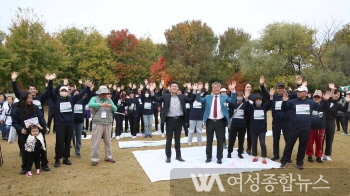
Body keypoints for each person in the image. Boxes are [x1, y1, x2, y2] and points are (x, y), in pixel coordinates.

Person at [280, 86, 331, 170]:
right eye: (297, 91)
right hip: (294, 128)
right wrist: (284, 102)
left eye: (300, 91)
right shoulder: (292, 101)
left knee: (303, 146)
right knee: (289, 145)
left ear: (306, 93)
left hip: (306, 128)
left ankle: (299, 162)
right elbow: (284, 109)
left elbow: (321, 109)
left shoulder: (311, 102)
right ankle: (284, 161)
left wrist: (325, 100)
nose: (298, 93)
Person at [47, 73, 92, 167]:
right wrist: (50, 81)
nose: (64, 92)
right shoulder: (56, 99)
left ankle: (65, 158)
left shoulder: (72, 99)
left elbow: (81, 94)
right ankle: (57, 159)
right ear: (59, 92)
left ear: (68, 92)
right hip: (60, 124)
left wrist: (87, 88)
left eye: (65, 90)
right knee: (59, 142)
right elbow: (50, 92)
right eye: (62, 90)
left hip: (70, 124)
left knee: (68, 142)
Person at [150, 81, 196, 163]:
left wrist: (194, 91)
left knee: (177, 139)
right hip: (169, 120)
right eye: (173, 86)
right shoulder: (166, 96)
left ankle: (178, 156)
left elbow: (191, 100)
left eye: (176, 86)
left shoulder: (181, 97)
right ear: (170, 88)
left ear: (178, 88)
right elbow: (156, 99)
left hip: (179, 120)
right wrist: (152, 91)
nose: (174, 87)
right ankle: (168, 156)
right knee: (169, 140)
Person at [195, 81, 236, 164]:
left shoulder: (224, 97)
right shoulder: (207, 97)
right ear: (212, 89)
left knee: (220, 140)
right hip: (210, 121)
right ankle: (208, 157)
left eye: (217, 87)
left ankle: (219, 157)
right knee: (209, 140)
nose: (216, 89)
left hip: (220, 122)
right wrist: (198, 91)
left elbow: (232, 100)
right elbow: (199, 99)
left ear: (220, 89)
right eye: (214, 87)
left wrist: (233, 91)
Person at [259, 75, 298, 161]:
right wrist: (262, 85)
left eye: (282, 88)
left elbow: (297, 94)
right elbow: (265, 93)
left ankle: (287, 156)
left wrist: (299, 85)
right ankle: (276, 155)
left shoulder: (289, 96)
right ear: (277, 89)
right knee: (276, 139)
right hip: (276, 121)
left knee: (288, 140)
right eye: (279, 88)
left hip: (287, 122)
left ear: (284, 89)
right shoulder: (274, 97)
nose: (280, 89)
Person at [11, 91, 48, 174]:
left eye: (31, 98)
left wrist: (44, 126)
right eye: (28, 98)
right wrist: (21, 129)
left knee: (41, 148)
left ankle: (44, 164)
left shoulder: (35, 107)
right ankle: (25, 167)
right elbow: (14, 122)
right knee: (26, 151)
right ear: (23, 99)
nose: (30, 100)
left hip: (37, 131)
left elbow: (41, 118)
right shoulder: (16, 110)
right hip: (25, 133)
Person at [89, 85, 117, 166]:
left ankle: (108, 156)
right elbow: (90, 104)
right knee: (96, 142)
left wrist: (111, 106)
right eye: (103, 93)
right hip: (98, 123)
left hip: (108, 123)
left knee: (108, 142)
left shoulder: (109, 100)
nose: (105, 95)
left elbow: (115, 109)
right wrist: (100, 104)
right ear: (99, 93)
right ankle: (94, 158)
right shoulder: (94, 98)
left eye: (106, 93)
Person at [246, 91, 273, 164]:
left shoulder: (264, 107)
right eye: (257, 100)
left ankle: (264, 157)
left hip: (262, 129)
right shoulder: (252, 107)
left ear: (261, 100)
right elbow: (247, 104)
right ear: (254, 101)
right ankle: (255, 156)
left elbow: (270, 103)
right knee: (254, 143)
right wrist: (246, 97)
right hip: (253, 129)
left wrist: (271, 96)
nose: (258, 101)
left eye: (259, 99)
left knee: (262, 143)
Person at [324, 88, 349, 161]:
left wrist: (347, 102)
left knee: (329, 139)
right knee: (321, 139)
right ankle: (319, 154)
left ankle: (327, 154)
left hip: (331, 123)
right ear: (332, 93)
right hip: (322, 122)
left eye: (338, 95)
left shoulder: (338, 104)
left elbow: (344, 109)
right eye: (335, 94)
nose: (337, 96)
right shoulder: (326, 101)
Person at [306, 90, 328, 163]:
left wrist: (327, 97)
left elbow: (327, 102)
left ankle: (319, 156)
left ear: (321, 98)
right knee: (310, 143)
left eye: (318, 97)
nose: (316, 98)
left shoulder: (324, 106)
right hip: (310, 128)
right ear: (313, 97)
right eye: (315, 97)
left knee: (319, 143)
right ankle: (309, 155)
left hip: (320, 128)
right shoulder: (309, 105)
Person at [227, 91, 248, 159]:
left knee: (241, 140)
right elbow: (230, 112)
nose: (239, 98)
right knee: (232, 139)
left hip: (242, 125)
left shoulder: (245, 104)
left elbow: (248, 111)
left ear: (243, 97)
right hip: (234, 125)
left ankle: (239, 152)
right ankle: (229, 152)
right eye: (238, 96)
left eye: (241, 96)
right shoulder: (233, 104)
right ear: (236, 97)